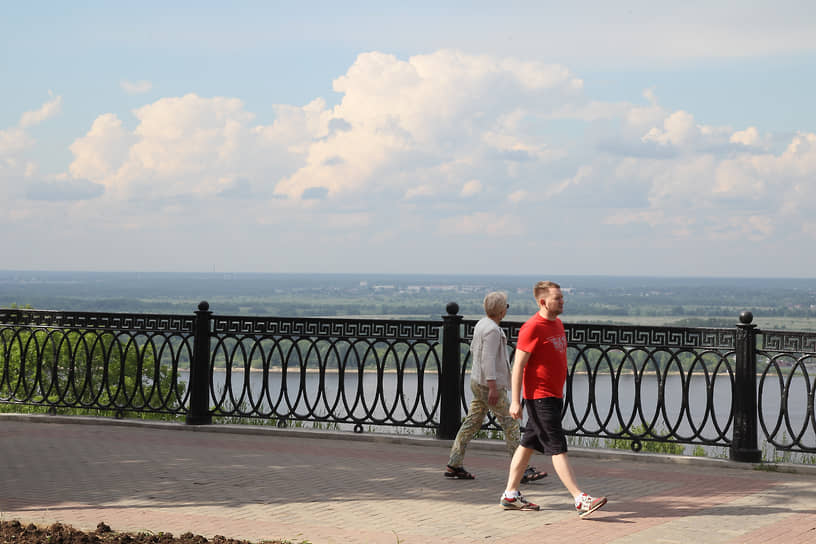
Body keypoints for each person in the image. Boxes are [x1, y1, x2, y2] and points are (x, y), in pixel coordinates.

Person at [499, 281, 607, 518]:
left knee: (528, 444)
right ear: (542, 301)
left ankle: (510, 494)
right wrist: (515, 401)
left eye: (561, 297)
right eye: (557, 298)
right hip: (540, 397)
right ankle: (580, 499)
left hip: (554, 395)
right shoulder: (532, 327)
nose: (562, 301)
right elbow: (518, 366)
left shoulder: (557, 323)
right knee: (557, 446)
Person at [445, 291, 546, 484]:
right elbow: (488, 360)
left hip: (478, 381)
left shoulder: (482, 323)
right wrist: (492, 386)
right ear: (501, 311)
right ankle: (521, 469)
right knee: (511, 423)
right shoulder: (492, 330)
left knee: (471, 423)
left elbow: (477, 353)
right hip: (489, 385)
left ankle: (454, 464)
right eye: (506, 306)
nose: (506, 309)